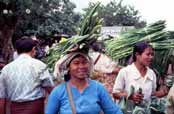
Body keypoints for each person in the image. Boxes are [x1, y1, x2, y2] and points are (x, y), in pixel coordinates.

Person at [45, 51, 123, 114]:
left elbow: (114, 111)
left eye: (84, 62)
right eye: (76, 63)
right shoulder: (58, 92)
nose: (81, 66)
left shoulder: (98, 88)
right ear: (68, 67)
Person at [0, 37, 54, 114]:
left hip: (14, 109)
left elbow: (2, 98)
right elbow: (51, 90)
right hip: (35, 108)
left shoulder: (6, 69)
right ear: (33, 49)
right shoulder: (39, 65)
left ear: (17, 51)